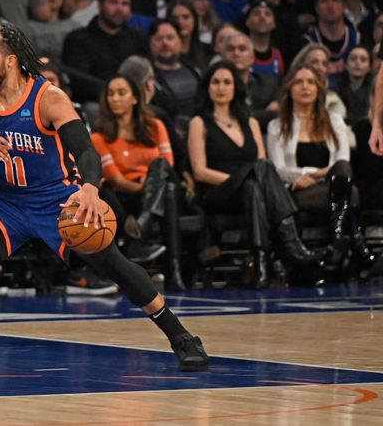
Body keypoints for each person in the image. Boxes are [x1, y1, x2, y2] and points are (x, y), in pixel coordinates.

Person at [0, 22, 209, 375]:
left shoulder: (48, 98)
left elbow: (86, 152)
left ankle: (182, 338)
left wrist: (89, 189)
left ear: (11, 60)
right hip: (1, 199)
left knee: (115, 266)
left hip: (55, 200)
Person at [187, 62, 317, 288]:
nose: (221, 87)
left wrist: (246, 181)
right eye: (215, 82)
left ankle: (261, 259)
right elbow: (200, 172)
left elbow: (259, 168)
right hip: (217, 193)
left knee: (255, 184)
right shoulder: (199, 123)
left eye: (227, 82)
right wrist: (238, 180)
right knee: (259, 170)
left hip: (249, 193)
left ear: (236, 87)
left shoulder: (251, 122)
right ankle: (291, 241)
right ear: (207, 88)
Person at [267, 65, 367, 269]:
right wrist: (310, 175)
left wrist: (320, 174)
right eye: (299, 82)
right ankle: (354, 245)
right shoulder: (277, 126)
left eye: (311, 82)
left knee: (343, 173)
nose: (305, 87)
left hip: (332, 184)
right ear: (289, 89)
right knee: (351, 193)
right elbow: (279, 169)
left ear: (318, 89)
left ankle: (337, 239)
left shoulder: (334, 121)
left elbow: (342, 160)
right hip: (298, 189)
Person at [91, 75, 184, 290]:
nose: (115, 98)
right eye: (110, 94)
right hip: (132, 193)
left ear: (135, 98)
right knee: (166, 191)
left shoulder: (155, 126)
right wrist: (148, 189)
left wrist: (151, 186)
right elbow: (118, 180)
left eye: (121, 93)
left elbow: (166, 166)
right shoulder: (100, 136)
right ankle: (174, 270)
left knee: (164, 175)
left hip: (158, 185)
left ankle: (140, 229)